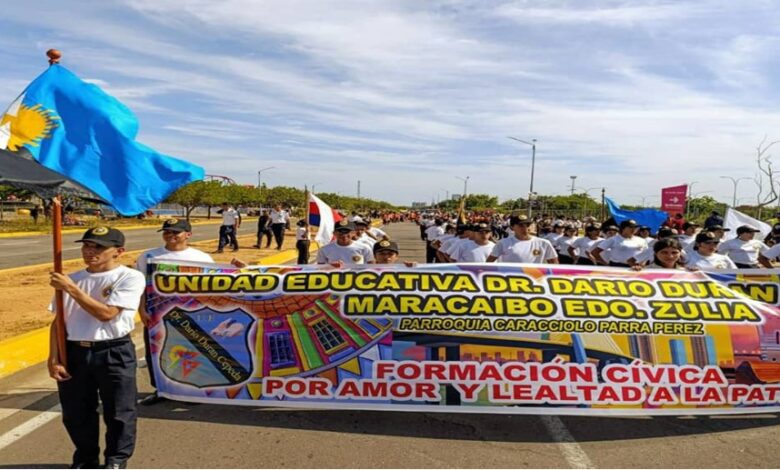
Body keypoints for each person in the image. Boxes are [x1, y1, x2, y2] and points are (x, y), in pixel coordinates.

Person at [47, 227, 145, 469]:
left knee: (120, 411)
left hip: (113, 351)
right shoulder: (73, 277)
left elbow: (107, 314)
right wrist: (53, 357)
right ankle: (86, 457)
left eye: (99, 247)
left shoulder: (129, 277)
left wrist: (70, 288)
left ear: (119, 251)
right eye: (87, 245)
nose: (90, 251)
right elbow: (58, 320)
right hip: (75, 352)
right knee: (76, 412)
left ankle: (116, 460)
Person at [136, 218, 214, 406]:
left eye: (175, 232)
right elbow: (140, 286)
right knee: (157, 353)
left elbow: (214, 287)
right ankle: (162, 389)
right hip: (157, 316)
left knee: (192, 353)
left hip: (193, 315)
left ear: (188, 235)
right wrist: (141, 310)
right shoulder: (148, 257)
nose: (170, 235)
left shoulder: (202, 258)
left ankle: (193, 391)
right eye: (167, 232)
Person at [486, 215, 558, 264]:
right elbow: (489, 263)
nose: (525, 228)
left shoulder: (544, 243)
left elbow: (555, 265)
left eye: (527, 225)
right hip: (509, 281)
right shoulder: (503, 243)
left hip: (535, 281)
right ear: (512, 227)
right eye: (521, 225)